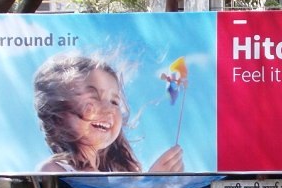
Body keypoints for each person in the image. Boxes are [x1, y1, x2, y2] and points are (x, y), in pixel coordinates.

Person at [33, 54, 184, 173]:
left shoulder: (118, 177)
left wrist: (161, 184)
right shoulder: (54, 170)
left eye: (114, 102)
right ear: (58, 113)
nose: (109, 109)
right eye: (94, 98)